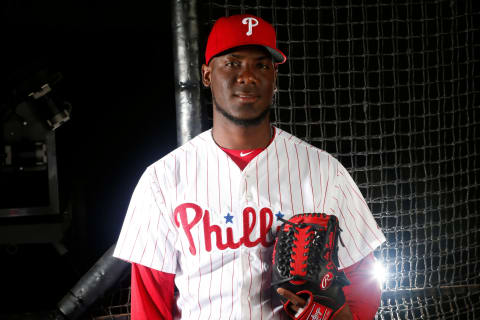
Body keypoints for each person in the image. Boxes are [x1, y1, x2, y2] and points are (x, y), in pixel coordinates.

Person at [113, 14, 386, 320]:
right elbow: (149, 300)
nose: (248, 76)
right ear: (206, 74)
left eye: (261, 65)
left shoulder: (324, 173)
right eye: (232, 63)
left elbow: (363, 283)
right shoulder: (163, 179)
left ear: (274, 77)